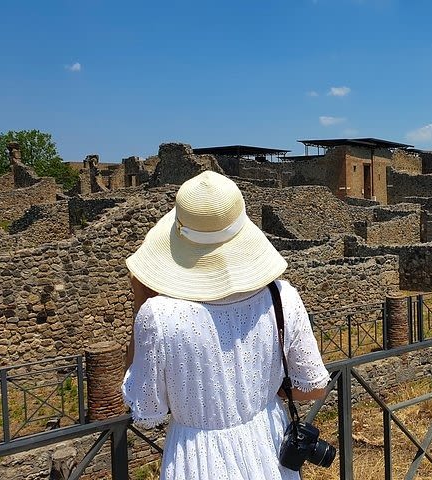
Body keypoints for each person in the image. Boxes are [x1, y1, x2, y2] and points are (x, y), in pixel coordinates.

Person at [122, 171, 330, 479]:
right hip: (269, 447)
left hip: (198, 460)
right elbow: (313, 387)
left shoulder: (158, 317)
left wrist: (141, 297)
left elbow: (147, 407)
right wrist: (266, 394)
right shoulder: (281, 295)